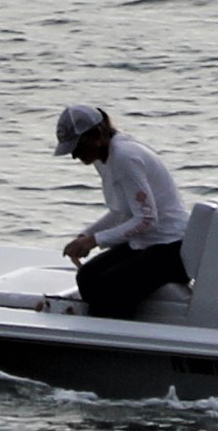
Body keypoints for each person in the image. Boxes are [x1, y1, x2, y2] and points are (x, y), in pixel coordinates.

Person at [54, 103, 190, 320]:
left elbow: (146, 219)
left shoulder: (125, 157)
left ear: (97, 135)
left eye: (77, 148)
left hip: (172, 248)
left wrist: (94, 241)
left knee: (109, 288)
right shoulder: (103, 158)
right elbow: (121, 212)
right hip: (146, 243)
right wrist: (87, 235)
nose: (74, 156)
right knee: (87, 277)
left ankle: (117, 338)